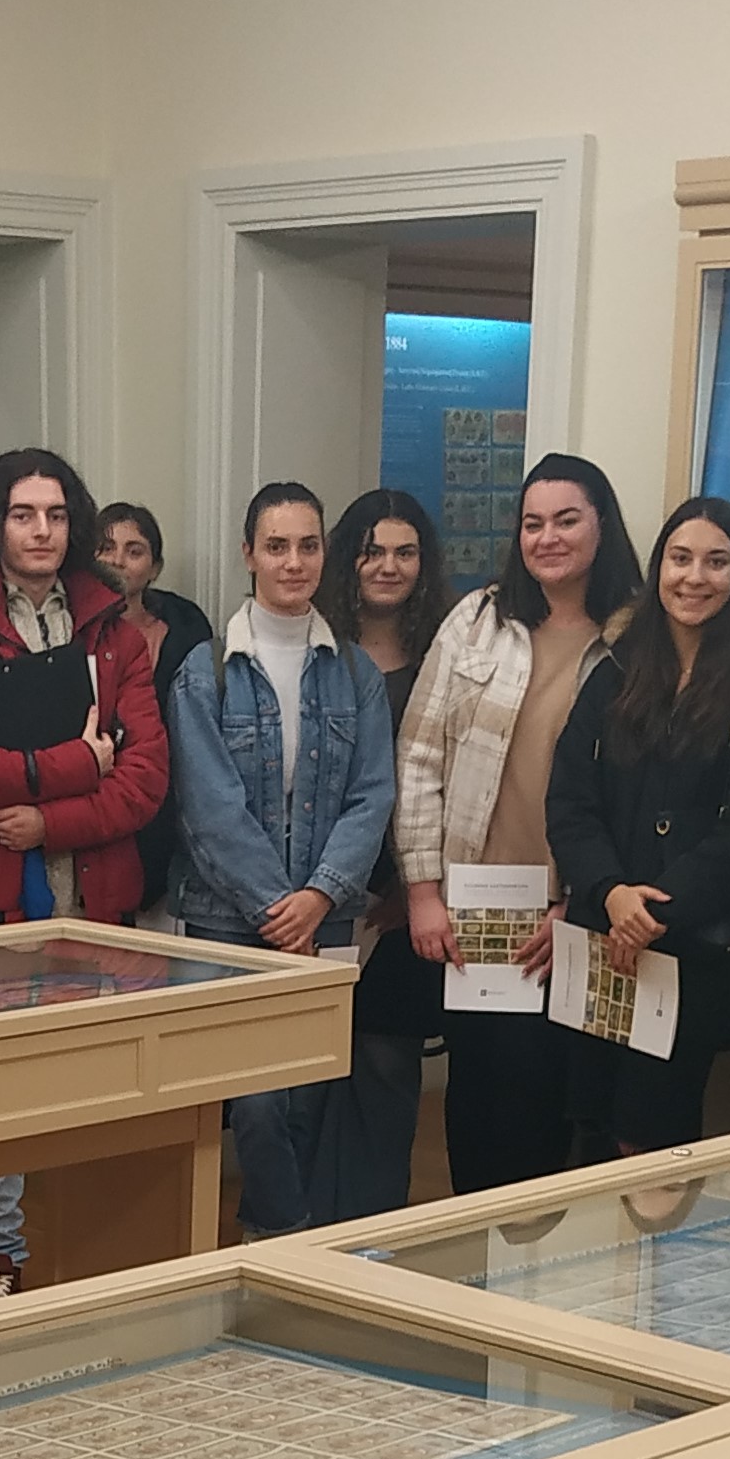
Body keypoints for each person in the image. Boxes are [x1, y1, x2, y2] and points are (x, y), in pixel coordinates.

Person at [0, 446, 173, 1296]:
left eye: (57, 515)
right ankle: (3, 1258)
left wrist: (43, 819)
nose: (42, 531)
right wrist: (73, 763)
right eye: (24, 514)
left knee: (102, 1074)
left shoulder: (115, 633)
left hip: (94, 892)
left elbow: (143, 778)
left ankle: (101, 1257)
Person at [394, 456, 641, 1191]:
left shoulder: (637, 635)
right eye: (533, 523)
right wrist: (422, 893)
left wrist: (582, 904)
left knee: (565, 1115)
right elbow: (418, 760)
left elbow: (638, 793)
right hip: (474, 915)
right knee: (478, 1105)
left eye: (568, 520)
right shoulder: (478, 620)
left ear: (602, 524)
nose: (548, 538)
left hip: (579, 918)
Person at [167, 479, 395, 1235]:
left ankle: (262, 1238)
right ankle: (285, 1241)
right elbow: (210, 810)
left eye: (307, 545)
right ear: (249, 556)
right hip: (231, 922)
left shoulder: (357, 674)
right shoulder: (206, 670)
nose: (293, 562)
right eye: (276, 546)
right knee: (256, 1107)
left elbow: (371, 795)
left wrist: (319, 899)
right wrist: (278, 908)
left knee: (306, 1101)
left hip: (324, 924)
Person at [548, 494, 730, 1154]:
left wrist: (657, 910)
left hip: (693, 950)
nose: (695, 577)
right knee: (588, 1127)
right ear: (658, 569)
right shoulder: (616, 669)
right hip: (604, 938)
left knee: (653, 1137)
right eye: (680, 559)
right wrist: (611, 894)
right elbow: (570, 802)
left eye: (717, 562)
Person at [314, 486, 452, 1217]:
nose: (388, 567)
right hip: (318, 898)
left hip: (406, 903)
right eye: (373, 551)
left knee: (386, 1069)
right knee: (311, 1076)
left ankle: (372, 1234)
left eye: (405, 552)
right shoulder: (314, 644)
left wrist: (416, 888)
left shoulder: (446, 653)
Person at [96, 502, 213, 930]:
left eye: (134, 550)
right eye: (105, 547)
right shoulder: (68, 631)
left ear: (155, 567)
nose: (118, 560)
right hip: (98, 808)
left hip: (170, 808)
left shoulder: (187, 627)